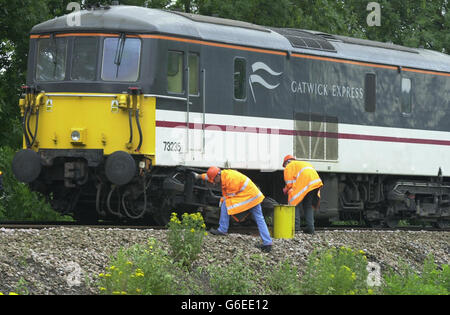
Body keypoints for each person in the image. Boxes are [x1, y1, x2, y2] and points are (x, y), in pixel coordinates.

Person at [195, 167, 273, 252]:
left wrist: (222, 201)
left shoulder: (230, 179)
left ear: (218, 176)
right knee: (259, 219)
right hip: (254, 195)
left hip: (249, 196)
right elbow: (208, 177)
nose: (213, 183)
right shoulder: (221, 175)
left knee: (226, 203)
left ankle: (222, 229)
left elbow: (230, 199)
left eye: (214, 180)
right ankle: (267, 243)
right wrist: (197, 176)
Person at [282, 155, 323, 234]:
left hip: (305, 183)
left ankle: (296, 228)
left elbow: (289, 183)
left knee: (294, 203)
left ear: (286, 162)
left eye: (284, 166)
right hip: (315, 183)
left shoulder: (289, 166)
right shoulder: (303, 163)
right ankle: (311, 229)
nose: (285, 167)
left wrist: (286, 189)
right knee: (308, 205)